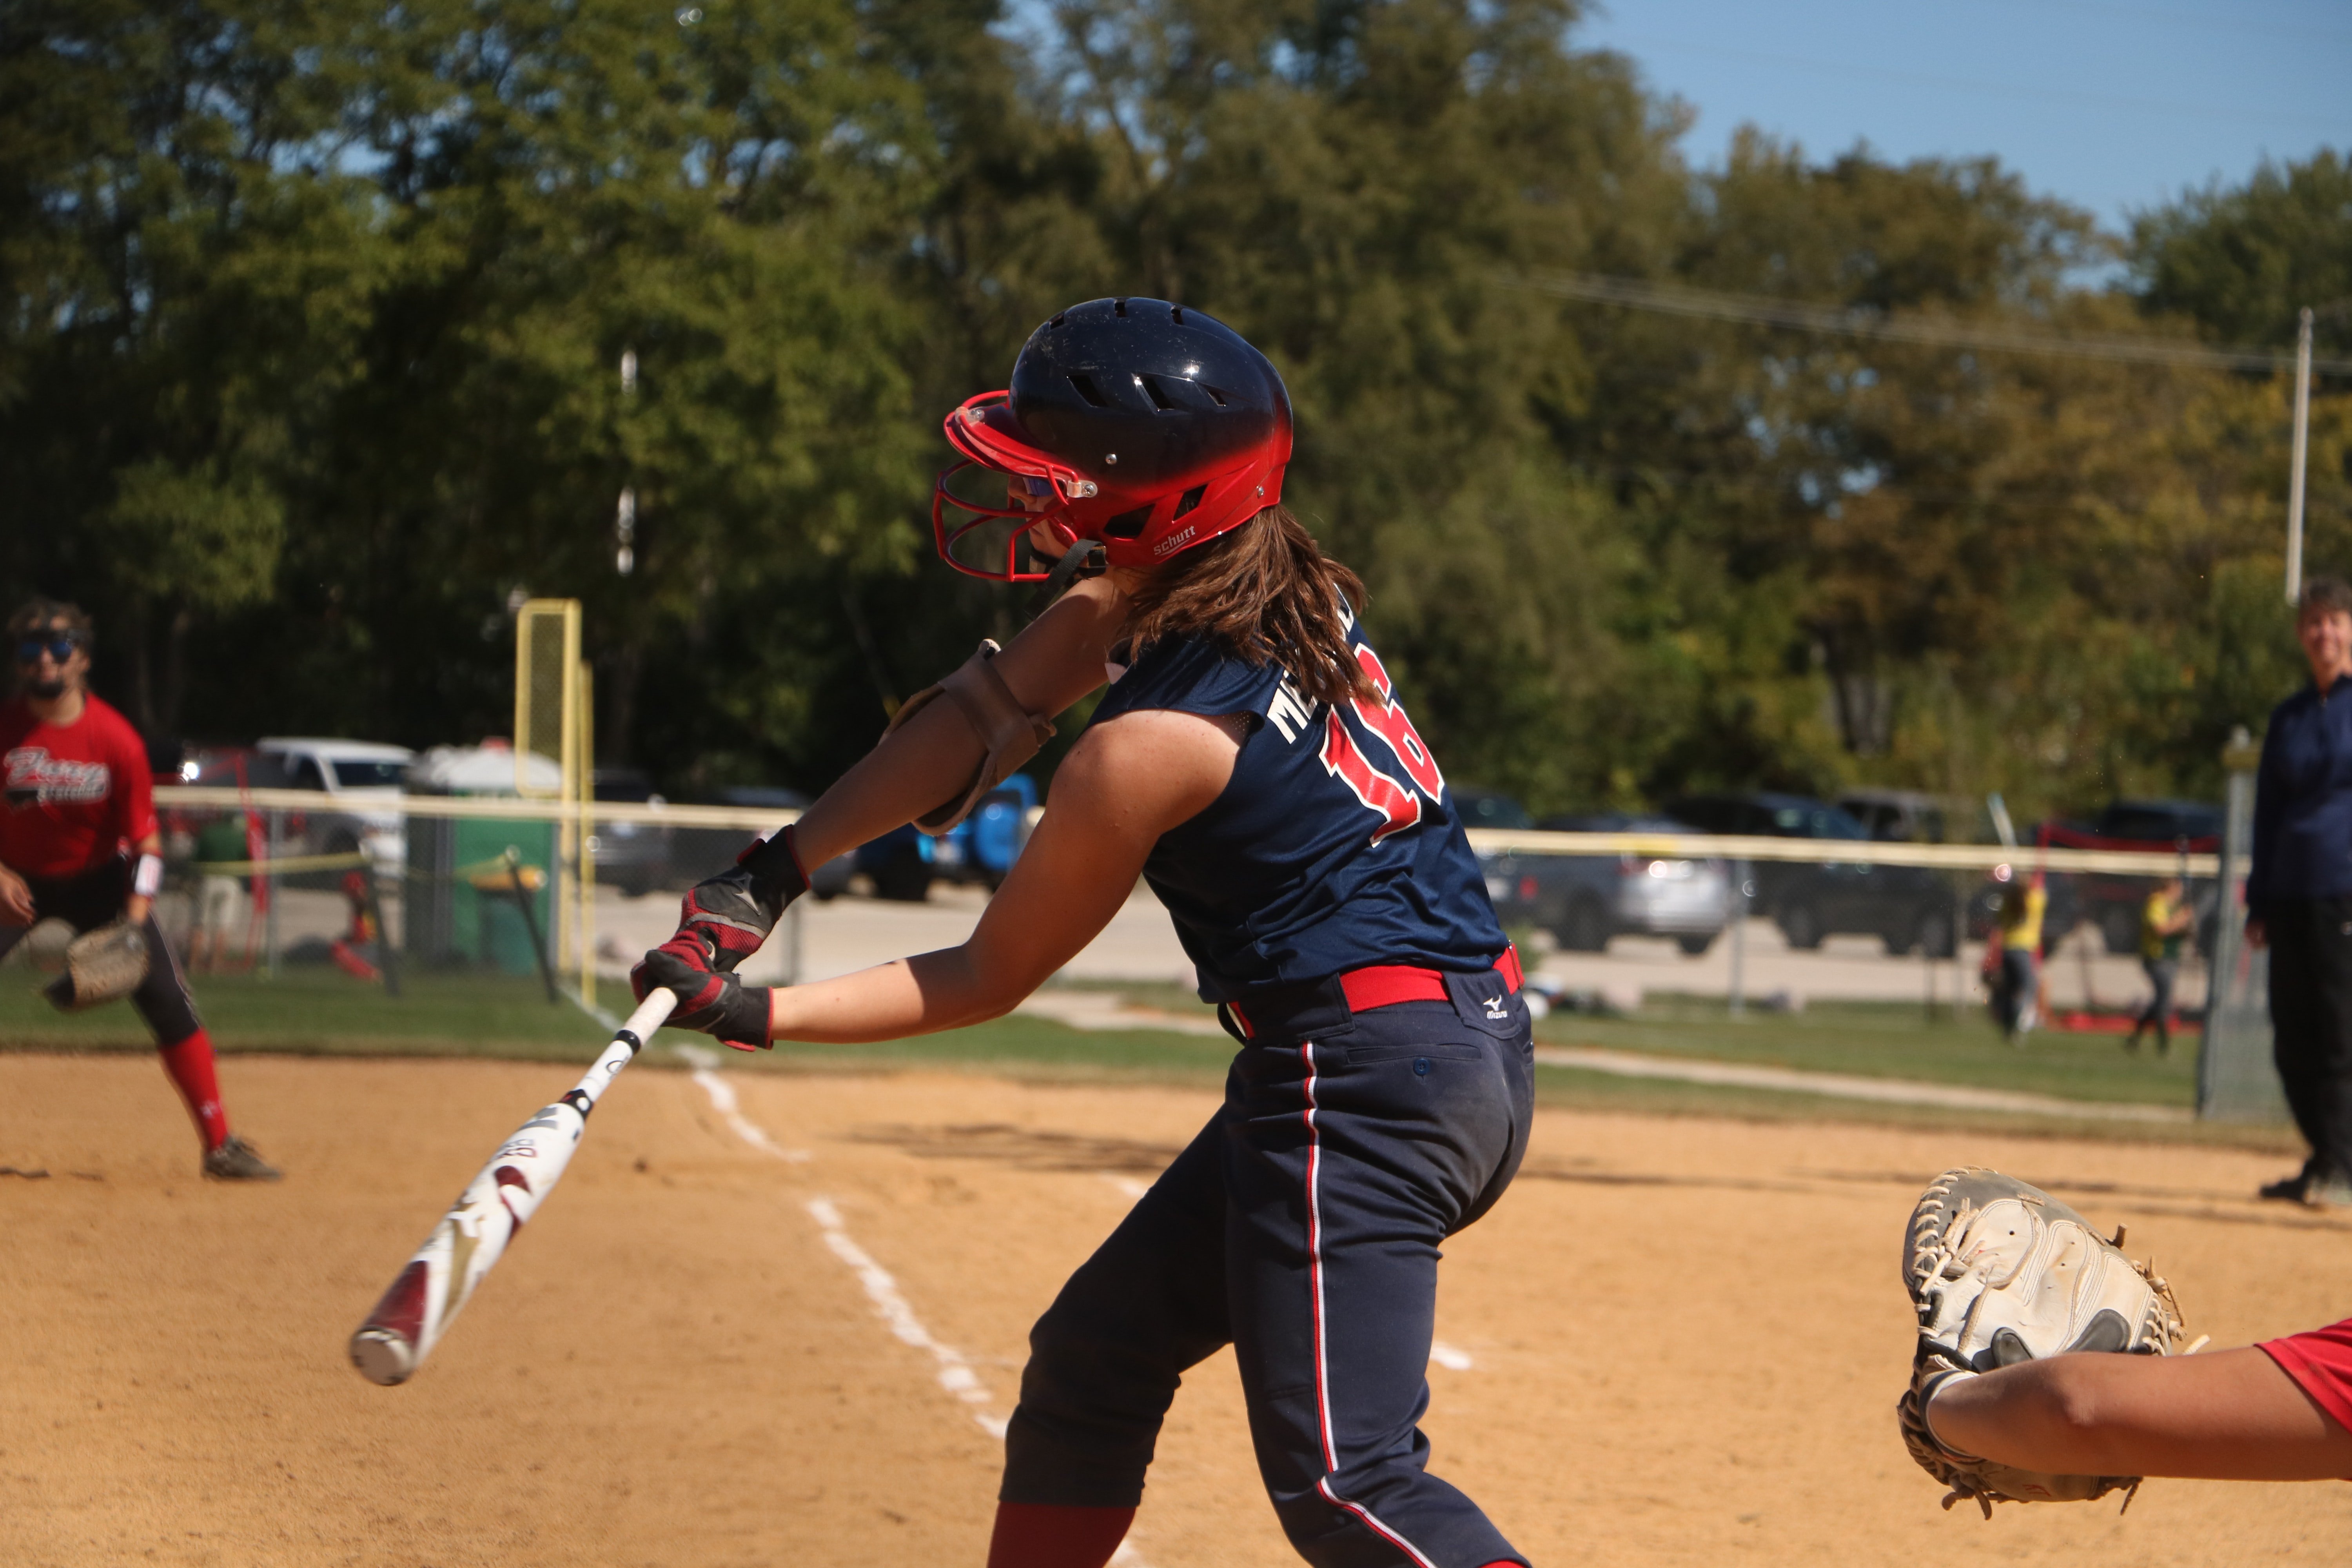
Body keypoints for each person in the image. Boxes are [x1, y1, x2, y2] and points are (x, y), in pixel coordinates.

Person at [635, 299, 1535, 1568]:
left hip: (1369, 1084)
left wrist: (756, 1010)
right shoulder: (1251, 594)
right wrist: (771, 872)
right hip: (1449, 1050)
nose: (1034, 508)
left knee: (1349, 1483)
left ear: (1157, 510)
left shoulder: (1142, 753)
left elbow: (988, 971)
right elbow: (978, 716)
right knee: (1095, 1359)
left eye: (1055, 485)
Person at [0, 599, 279, 1180]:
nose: (45, 660)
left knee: (169, 999)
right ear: (19, 662)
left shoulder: (115, 739)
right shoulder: (4, 731)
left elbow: (146, 843)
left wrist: (134, 919)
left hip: (102, 881)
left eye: (60, 646)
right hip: (13, 880)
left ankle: (219, 1145)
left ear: (82, 657)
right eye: (31, 649)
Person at [2246, 574, 2352, 1209]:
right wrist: (2259, 898)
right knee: (2293, 1037)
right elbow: (2266, 811)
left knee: (2342, 1033)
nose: (2324, 632)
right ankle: (2325, 1156)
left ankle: (2344, 1166)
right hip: (2289, 891)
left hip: (2345, 890)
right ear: (2301, 635)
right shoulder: (2287, 717)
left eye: (2335, 620)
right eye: (2314, 622)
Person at [2123, 875, 2192, 1056]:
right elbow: (2160, 929)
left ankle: (2136, 1039)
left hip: (2170, 958)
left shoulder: (2173, 907)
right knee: (2164, 1001)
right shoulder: (2157, 903)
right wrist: (2181, 920)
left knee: (2161, 1001)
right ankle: (2163, 1044)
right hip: (2156, 958)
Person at [189, 810, 252, 973]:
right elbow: (247, 858)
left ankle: (194, 965)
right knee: (223, 926)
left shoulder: (208, 833)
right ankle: (216, 965)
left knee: (200, 924)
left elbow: (196, 858)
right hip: (230, 883)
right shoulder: (239, 836)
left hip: (207, 880)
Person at [1988, 867, 2045, 1044]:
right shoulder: (2034, 900)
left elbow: (1999, 917)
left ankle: (2008, 1028)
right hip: (2024, 949)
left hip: (2008, 949)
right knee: (2028, 988)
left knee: (2011, 989)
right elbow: (2039, 893)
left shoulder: (2009, 900)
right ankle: (2019, 1021)